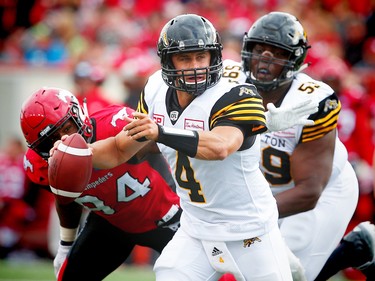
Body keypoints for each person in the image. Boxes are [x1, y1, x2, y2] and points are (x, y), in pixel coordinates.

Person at [103, 13, 317, 281]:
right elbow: (123, 149)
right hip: (196, 229)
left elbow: (220, 147)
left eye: (201, 57)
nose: (194, 66)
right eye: (184, 58)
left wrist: (160, 132)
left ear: (213, 57)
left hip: (250, 231)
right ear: (167, 61)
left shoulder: (238, 91)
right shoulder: (155, 88)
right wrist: (76, 153)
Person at [239, 11, 360, 281]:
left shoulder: (313, 102)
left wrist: (245, 214)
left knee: (286, 274)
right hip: (266, 192)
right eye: (259, 50)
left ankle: (353, 250)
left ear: (294, 60)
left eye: (277, 52)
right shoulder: (228, 83)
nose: (265, 59)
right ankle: (353, 251)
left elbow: (309, 191)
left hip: (319, 192)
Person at [20, 87, 182, 281]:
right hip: (112, 224)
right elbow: (66, 198)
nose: (63, 140)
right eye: (50, 140)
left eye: (67, 128)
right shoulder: (39, 165)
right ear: (39, 149)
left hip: (167, 217)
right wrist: (66, 243)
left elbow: (167, 146)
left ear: (78, 116)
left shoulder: (115, 124)